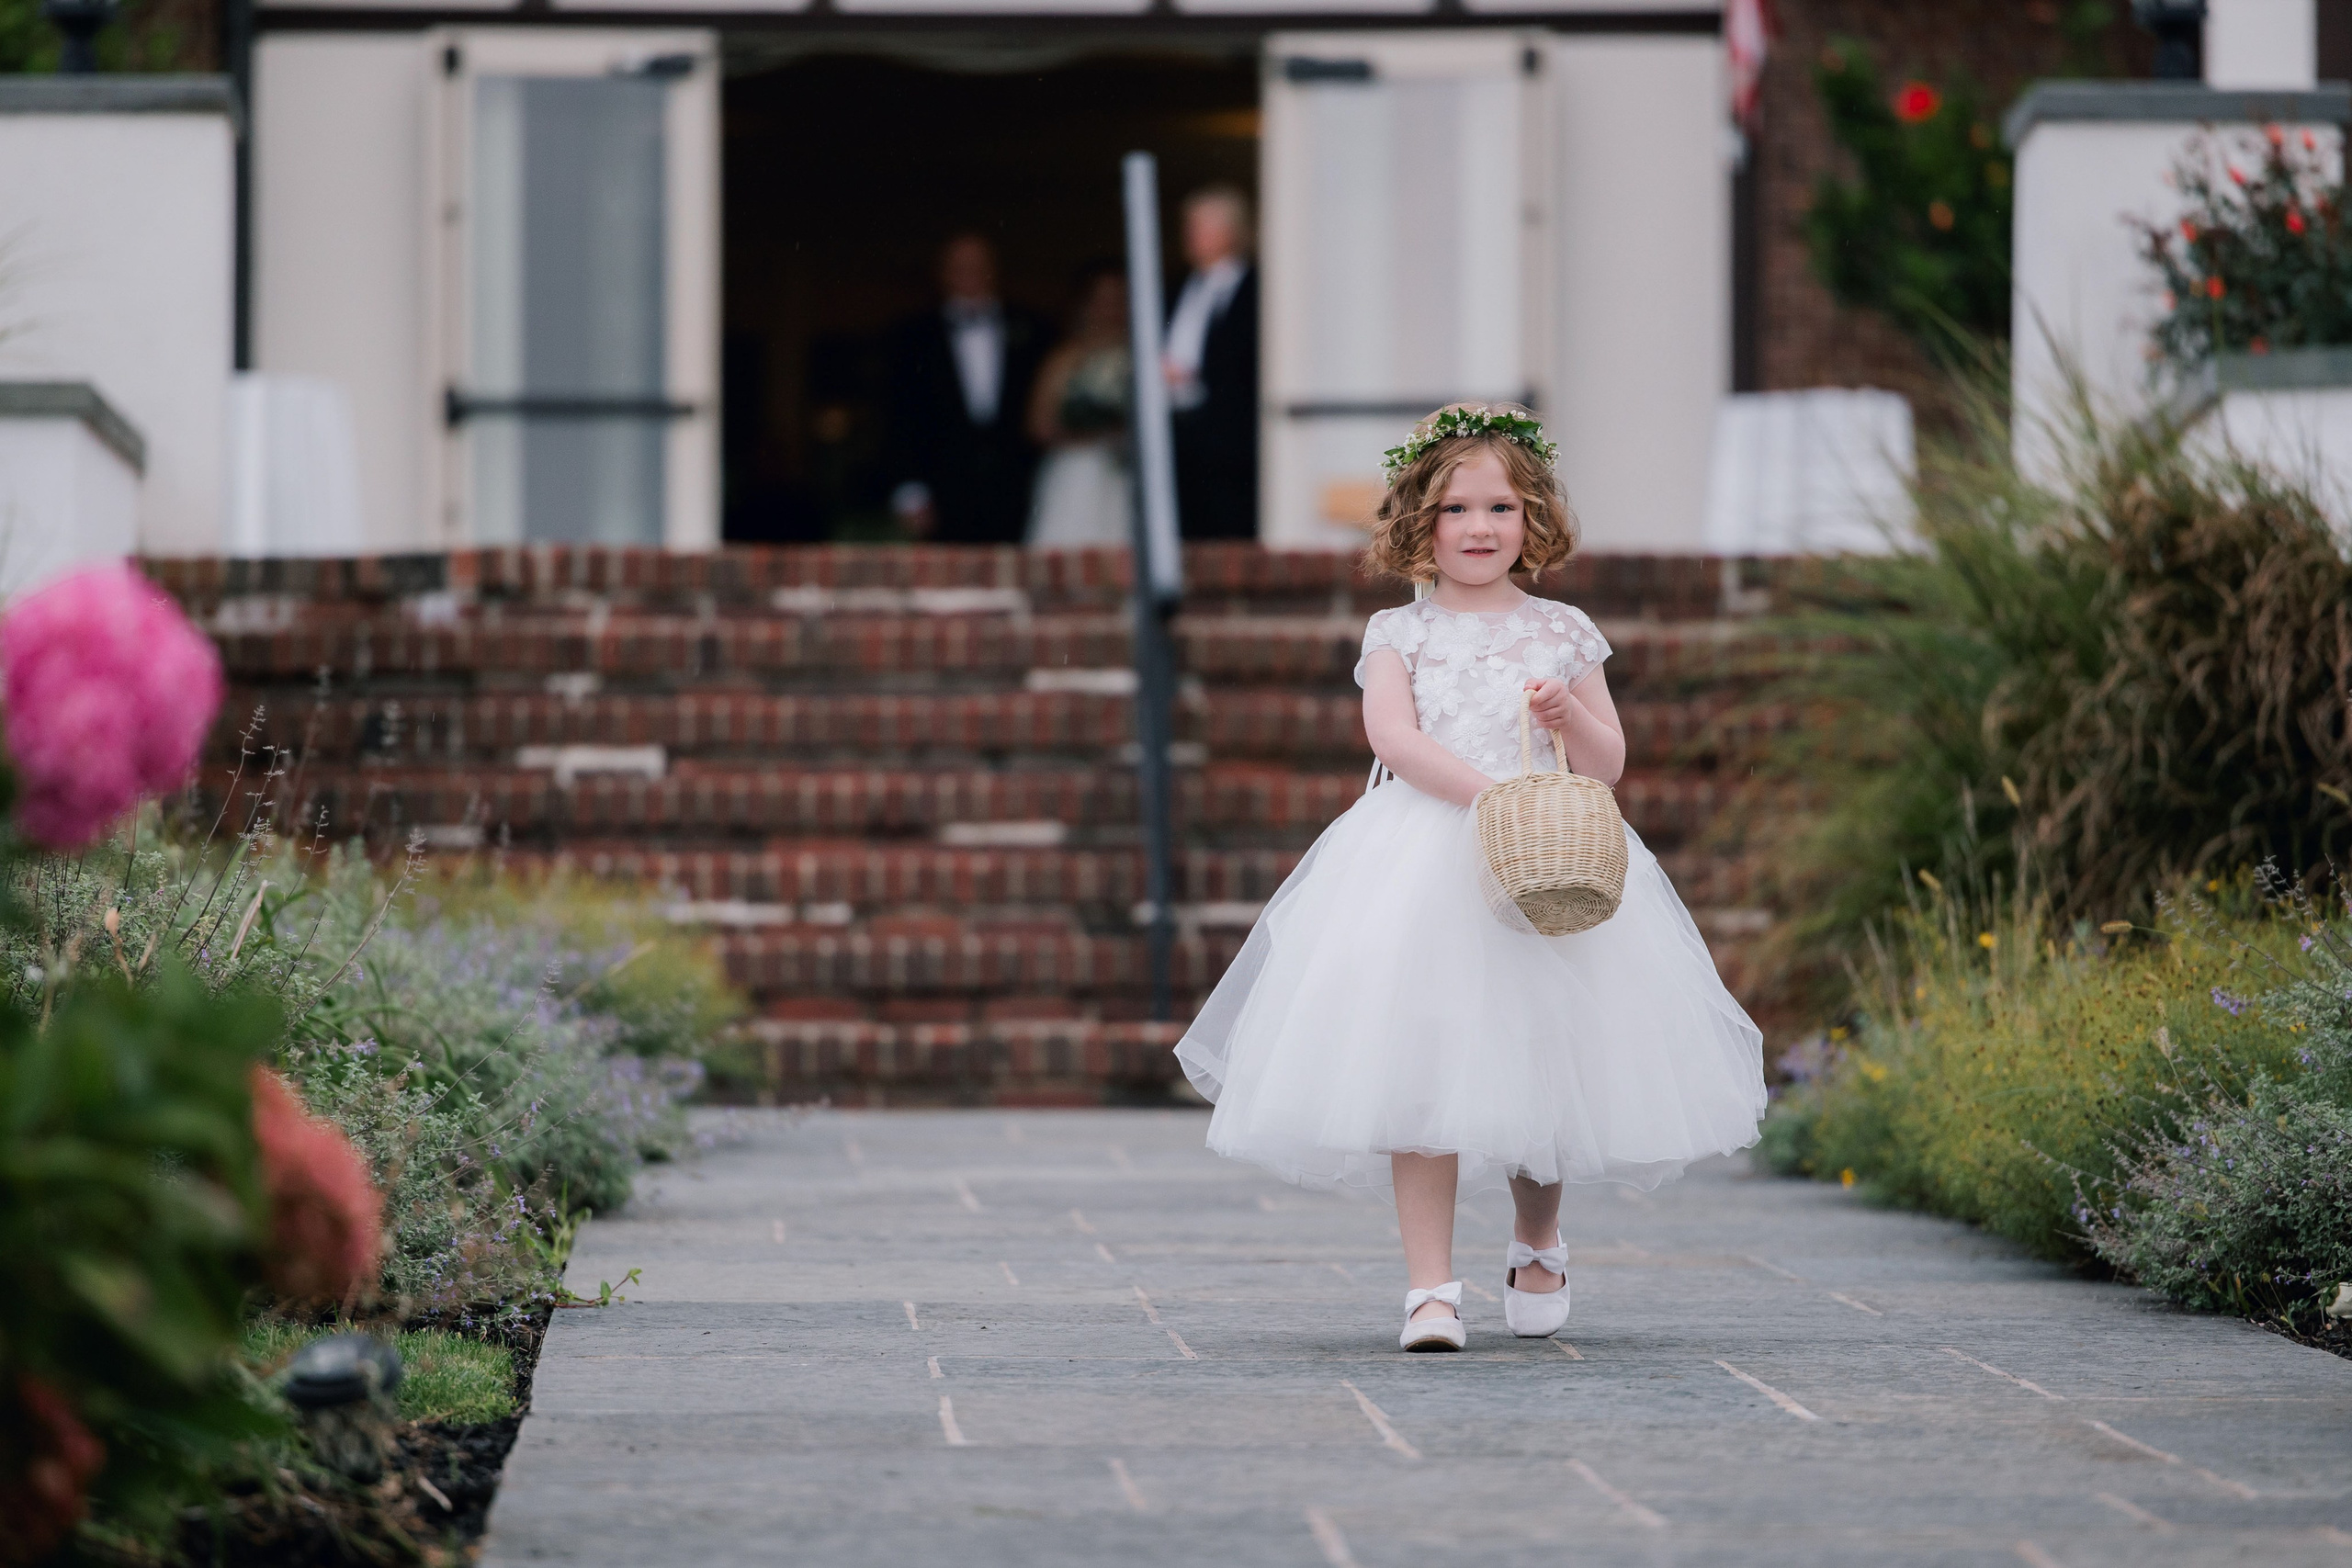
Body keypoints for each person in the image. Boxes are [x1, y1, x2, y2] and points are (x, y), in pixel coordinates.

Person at [1173, 404, 1767, 1352]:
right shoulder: (1395, 633)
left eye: (1501, 507)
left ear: (1533, 519)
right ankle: (1429, 1290)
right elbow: (1394, 740)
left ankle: (1538, 1241)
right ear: (1421, 520)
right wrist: (1494, 798)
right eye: (1456, 509)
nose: (1480, 528)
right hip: (1422, 859)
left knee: (1545, 1053)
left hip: (1546, 863)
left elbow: (1608, 765)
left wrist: (1567, 714)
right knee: (1420, 1071)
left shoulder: (1564, 631)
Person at [886, 234, 1048, 545]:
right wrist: (908, 490)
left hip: (1020, 485)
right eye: (959, 266)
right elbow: (898, 416)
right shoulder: (911, 336)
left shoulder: (1034, 328)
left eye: (979, 265)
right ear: (941, 273)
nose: (970, 274)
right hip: (942, 486)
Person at [1164, 186, 1259, 541]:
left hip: (1231, 442)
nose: (1190, 236)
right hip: (1177, 433)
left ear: (1232, 231)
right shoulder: (1176, 288)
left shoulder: (1258, 288)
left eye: (1200, 226)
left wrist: (1196, 375)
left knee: (1227, 530)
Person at [1024, 263, 1136, 548]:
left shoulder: (1141, 356)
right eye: (1102, 300)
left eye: (1118, 301)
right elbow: (1039, 426)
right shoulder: (1064, 358)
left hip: (1124, 475)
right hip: (1075, 473)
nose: (1110, 309)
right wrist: (1093, 432)